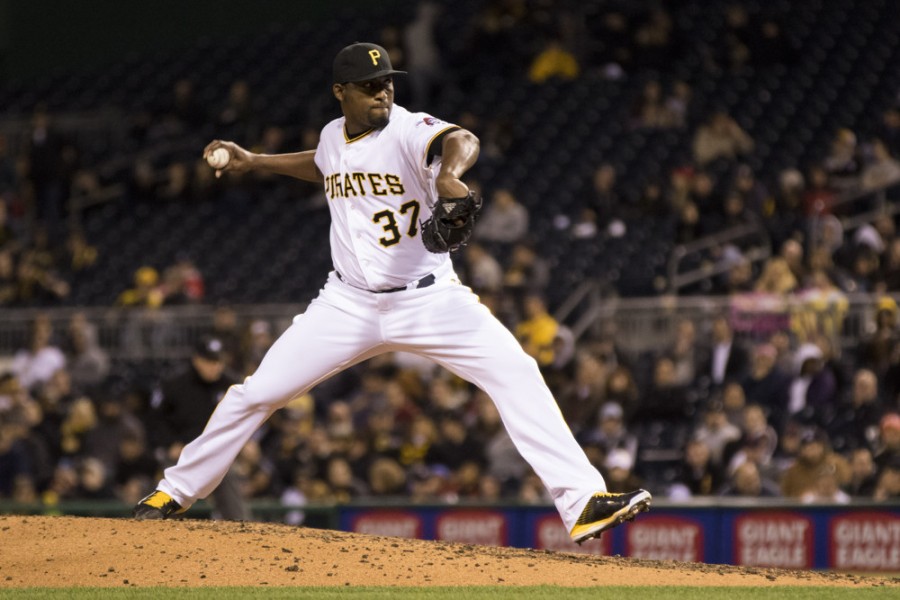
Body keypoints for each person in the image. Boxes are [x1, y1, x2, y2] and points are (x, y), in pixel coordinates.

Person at [133, 42, 651, 543]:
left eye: (386, 84)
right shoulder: (335, 136)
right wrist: (256, 161)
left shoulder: (408, 128)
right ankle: (173, 492)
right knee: (256, 393)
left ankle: (582, 502)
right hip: (346, 303)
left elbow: (461, 138)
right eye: (369, 86)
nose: (382, 93)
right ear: (341, 92)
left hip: (429, 299)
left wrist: (450, 173)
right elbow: (323, 163)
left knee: (516, 371)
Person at [146, 335, 250, 521]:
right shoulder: (175, 384)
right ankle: (160, 531)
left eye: (218, 361)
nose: (215, 366)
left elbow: (247, 418)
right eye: (209, 361)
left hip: (216, 452)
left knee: (229, 476)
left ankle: (240, 530)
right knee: (168, 479)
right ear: (196, 360)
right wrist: (170, 443)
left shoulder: (231, 384)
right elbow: (155, 420)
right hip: (181, 453)